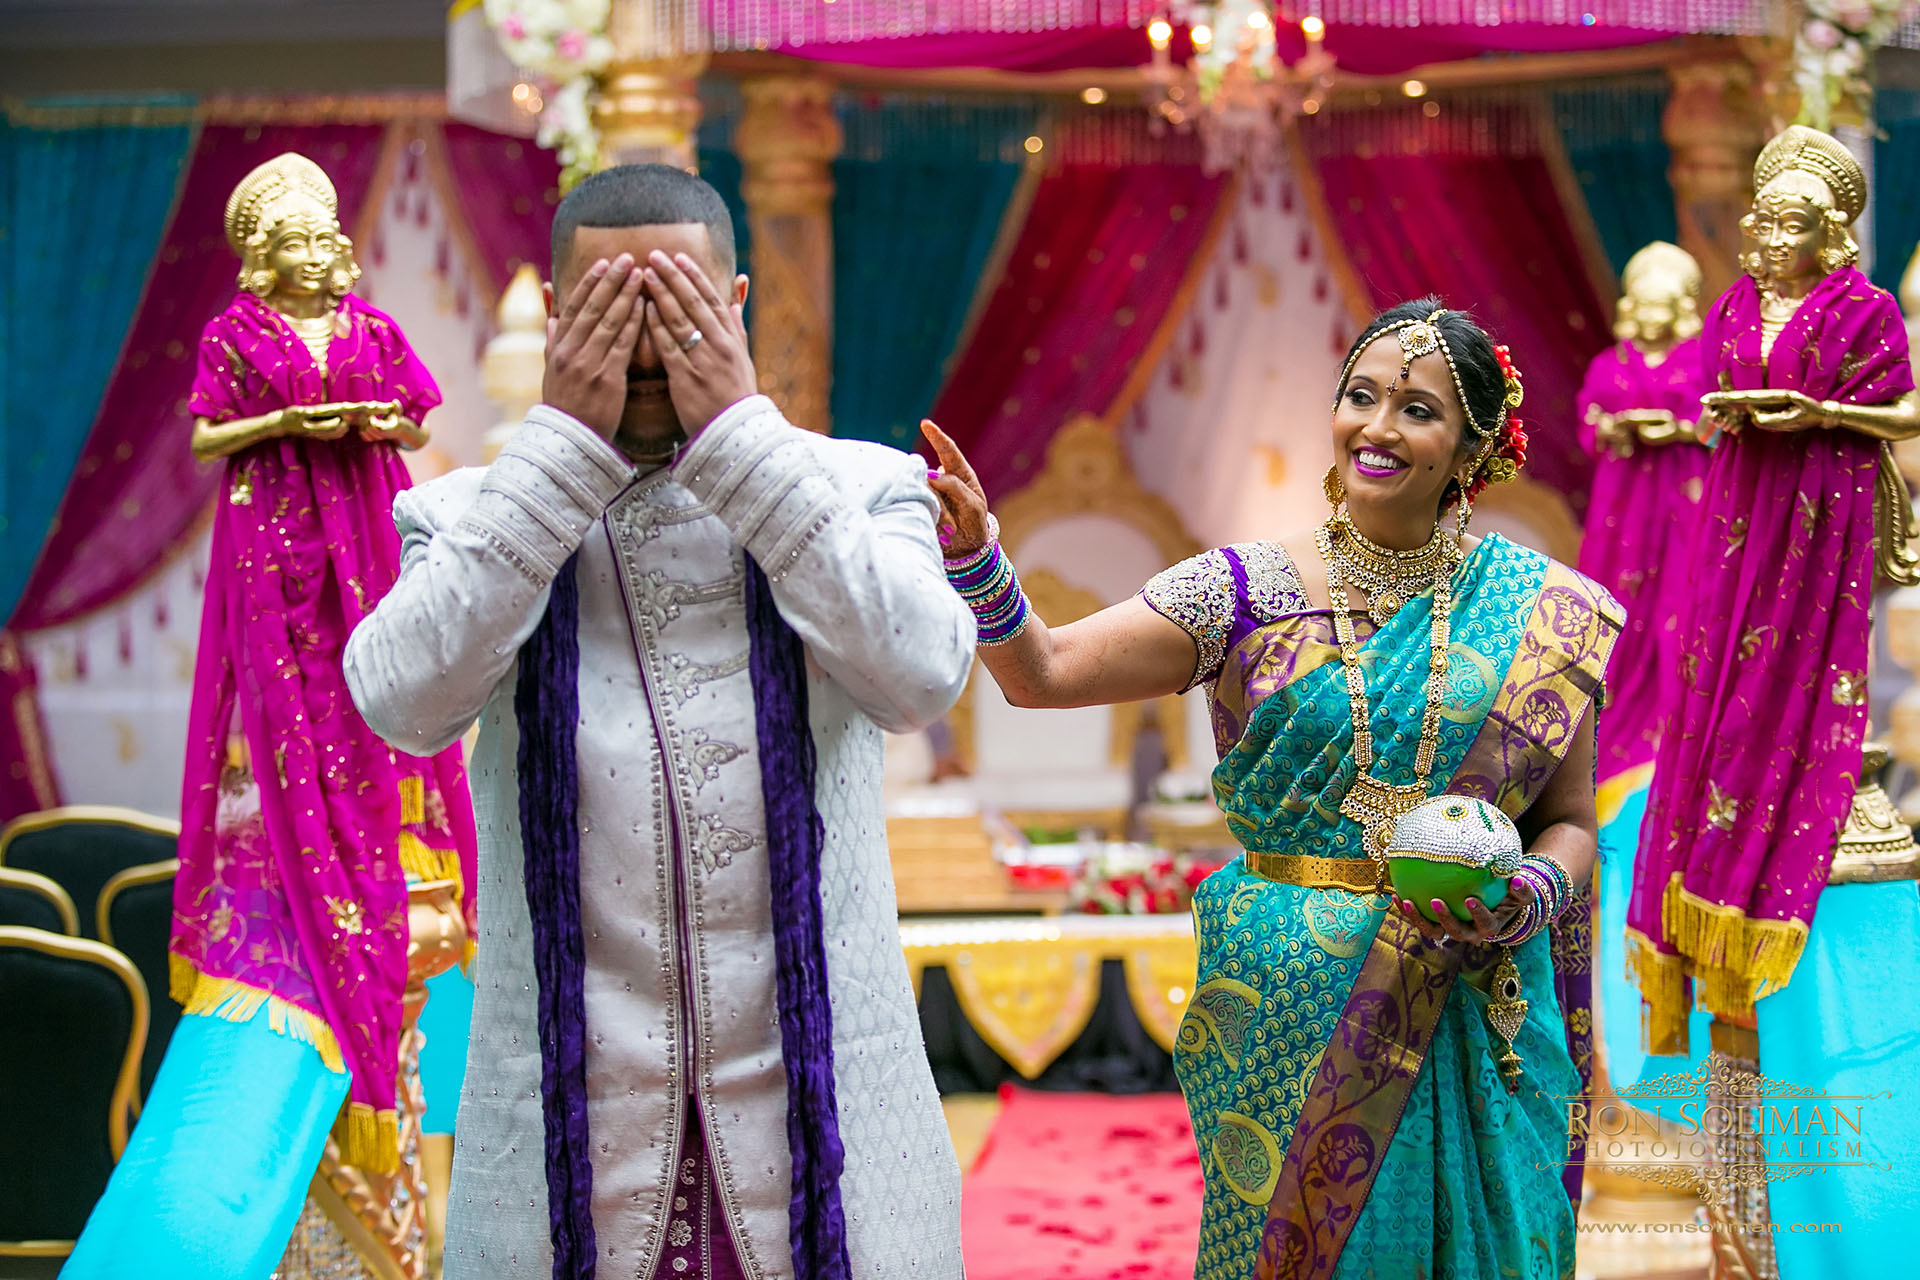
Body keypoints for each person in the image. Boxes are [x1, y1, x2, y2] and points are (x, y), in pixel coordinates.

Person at [343, 164, 972, 1280]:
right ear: (553, 317)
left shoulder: (860, 488)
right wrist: (555, 460)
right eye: (607, 311)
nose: (643, 347)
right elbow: (401, 701)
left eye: (675, 307)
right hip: (567, 1118)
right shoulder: (467, 516)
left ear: (733, 305)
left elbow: (921, 673)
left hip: (819, 1112)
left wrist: (737, 437)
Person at [925, 299, 1620, 1280]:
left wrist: (1528, 896)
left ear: (1473, 445)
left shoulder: (1545, 611)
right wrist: (976, 555)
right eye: (1361, 396)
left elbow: (1571, 822)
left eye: (1417, 408)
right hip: (1287, 998)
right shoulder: (1242, 590)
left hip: (1467, 991)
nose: (1377, 426)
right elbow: (1043, 671)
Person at [64, 152, 477, 1278]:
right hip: (282, 532)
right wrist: (296, 420)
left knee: (386, 679)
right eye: (292, 240)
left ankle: (372, 815)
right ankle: (309, 835)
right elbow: (206, 436)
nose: (313, 253)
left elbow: (417, 406)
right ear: (262, 252)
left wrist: (362, 415)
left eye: (322, 236)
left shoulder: (367, 320)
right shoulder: (236, 334)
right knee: (290, 693)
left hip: (366, 521)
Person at [1628, 125, 1920, 1279]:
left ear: (1834, 231)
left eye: (1788, 221)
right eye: (1759, 216)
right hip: (1739, 523)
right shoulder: (1740, 301)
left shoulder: (1865, 314)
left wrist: (1821, 418)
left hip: (1821, 520)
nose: (1764, 236)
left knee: (1801, 692)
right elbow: (1709, 401)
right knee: (1714, 689)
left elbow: (1904, 414)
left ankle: (1806, 793)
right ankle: (1740, 1241)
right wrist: (1733, 414)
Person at [1573, 241, 1715, 1092]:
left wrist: (1677, 427)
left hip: (1684, 504)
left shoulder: (1699, 359)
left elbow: (1714, 420)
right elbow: (1590, 421)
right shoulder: (1610, 361)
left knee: (1683, 618)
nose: (1657, 314)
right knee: (1623, 618)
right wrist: (1623, 430)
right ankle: (1622, 737)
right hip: (1626, 511)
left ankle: (1680, 727)